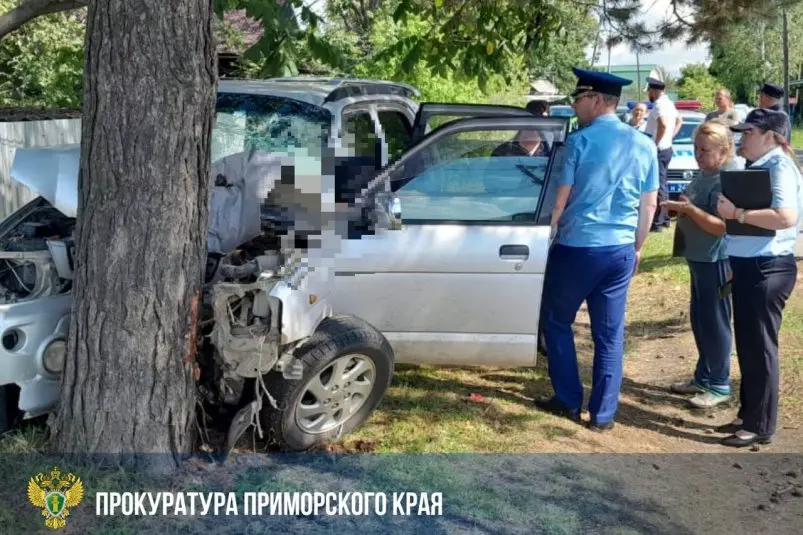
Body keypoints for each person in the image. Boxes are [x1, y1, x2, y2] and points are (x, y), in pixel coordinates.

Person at [535, 67, 659, 431]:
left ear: (598, 100)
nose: (574, 106)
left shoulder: (580, 141)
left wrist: (546, 235)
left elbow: (561, 199)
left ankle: (569, 399)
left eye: (578, 99)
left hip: (578, 247)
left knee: (556, 321)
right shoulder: (643, 143)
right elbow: (649, 206)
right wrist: (637, 248)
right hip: (619, 249)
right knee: (609, 334)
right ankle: (603, 415)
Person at [715, 108, 802, 447]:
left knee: (760, 347)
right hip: (752, 265)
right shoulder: (764, 166)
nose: (741, 139)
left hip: (769, 267)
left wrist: (736, 214)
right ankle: (748, 413)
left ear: (770, 136)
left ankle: (761, 424)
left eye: (748, 133)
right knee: (749, 345)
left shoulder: (778, 166)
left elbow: (784, 217)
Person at [662, 121, 740, 409]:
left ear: (723, 151)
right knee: (700, 319)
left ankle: (719, 383)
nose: (697, 154)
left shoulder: (725, 178)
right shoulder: (705, 174)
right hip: (698, 257)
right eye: (696, 148)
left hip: (716, 259)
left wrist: (689, 210)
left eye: (704, 150)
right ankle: (703, 376)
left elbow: (721, 226)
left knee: (716, 322)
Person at [644, 77, 683, 232]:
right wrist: (670, 137)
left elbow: (663, 123)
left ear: (653, 90)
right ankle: (664, 218)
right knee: (663, 184)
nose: (649, 94)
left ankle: (659, 222)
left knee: (658, 185)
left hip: (659, 149)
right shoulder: (669, 103)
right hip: (666, 147)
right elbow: (680, 121)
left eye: (649, 91)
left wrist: (656, 143)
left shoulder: (660, 104)